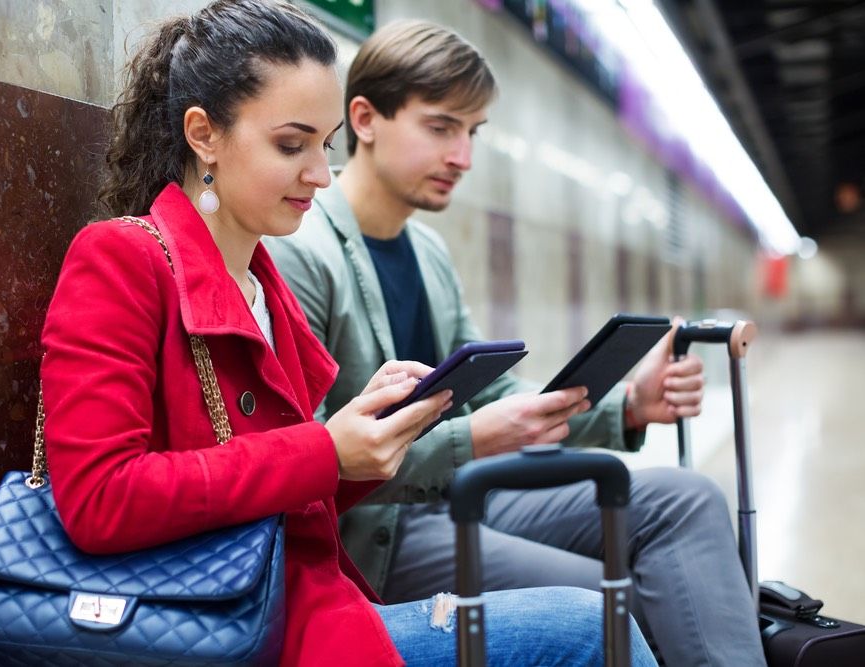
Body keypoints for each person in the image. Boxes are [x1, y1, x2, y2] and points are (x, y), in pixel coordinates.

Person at [39, 1, 657, 665]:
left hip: (289, 601)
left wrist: (377, 429)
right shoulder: (120, 258)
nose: (318, 173)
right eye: (289, 144)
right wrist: (328, 451)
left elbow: (291, 485)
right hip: (209, 621)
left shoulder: (262, 279)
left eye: (324, 145)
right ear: (204, 134)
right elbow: (98, 498)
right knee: (591, 624)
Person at [264, 18, 766, 667]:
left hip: (465, 491)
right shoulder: (303, 252)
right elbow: (308, 453)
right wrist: (472, 437)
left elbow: (494, 392)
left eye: (472, 133)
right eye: (442, 127)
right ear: (363, 118)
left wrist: (627, 409)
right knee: (602, 597)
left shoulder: (428, 251)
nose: (463, 156)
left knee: (687, 496)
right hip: (377, 530)